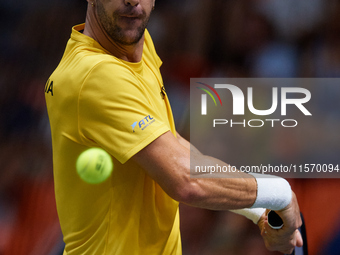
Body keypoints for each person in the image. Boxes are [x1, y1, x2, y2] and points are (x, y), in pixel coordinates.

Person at [45, 0, 303, 254]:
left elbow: (174, 146)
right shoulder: (94, 74)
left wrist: (257, 210)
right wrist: (277, 193)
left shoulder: (137, 46)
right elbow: (186, 180)